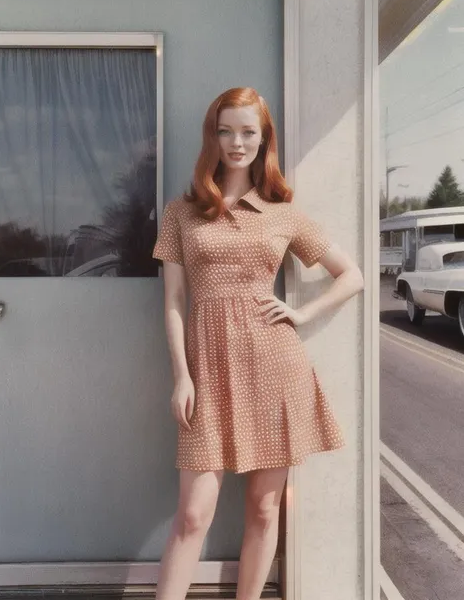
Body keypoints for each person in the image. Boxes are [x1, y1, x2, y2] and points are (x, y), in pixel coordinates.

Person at [152, 86, 364, 600]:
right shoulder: (182, 211)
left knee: (265, 508)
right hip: (206, 371)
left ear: (263, 137)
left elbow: (352, 275)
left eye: (248, 131)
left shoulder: (282, 212)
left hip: (272, 368)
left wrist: (300, 312)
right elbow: (175, 300)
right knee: (193, 515)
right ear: (213, 136)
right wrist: (182, 375)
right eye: (225, 130)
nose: (236, 142)